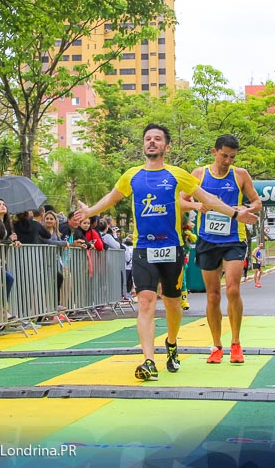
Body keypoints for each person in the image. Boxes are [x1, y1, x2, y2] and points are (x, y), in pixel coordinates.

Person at [73, 123, 258, 381]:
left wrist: (236, 212)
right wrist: (90, 211)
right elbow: (112, 198)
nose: (152, 142)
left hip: (171, 248)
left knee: (172, 304)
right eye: (148, 139)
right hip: (143, 249)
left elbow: (208, 199)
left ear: (166, 146)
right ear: (143, 145)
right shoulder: (132, 175)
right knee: (146, 302)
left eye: (157, 139)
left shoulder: (177, 174)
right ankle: (149, 360)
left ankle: (171, 343)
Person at [181, 134, 262, 365]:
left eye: (232, 157)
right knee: (213, 295)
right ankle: (216, 345)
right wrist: (196, 204)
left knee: (234, 289)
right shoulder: (199, 174)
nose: (228, 160)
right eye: (224, 155)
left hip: (234, 238)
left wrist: (243, 208)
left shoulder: (240, 175)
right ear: (214, 152)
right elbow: (180, 201)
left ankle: (236, 343)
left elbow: (257, 202)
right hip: (207, 240)